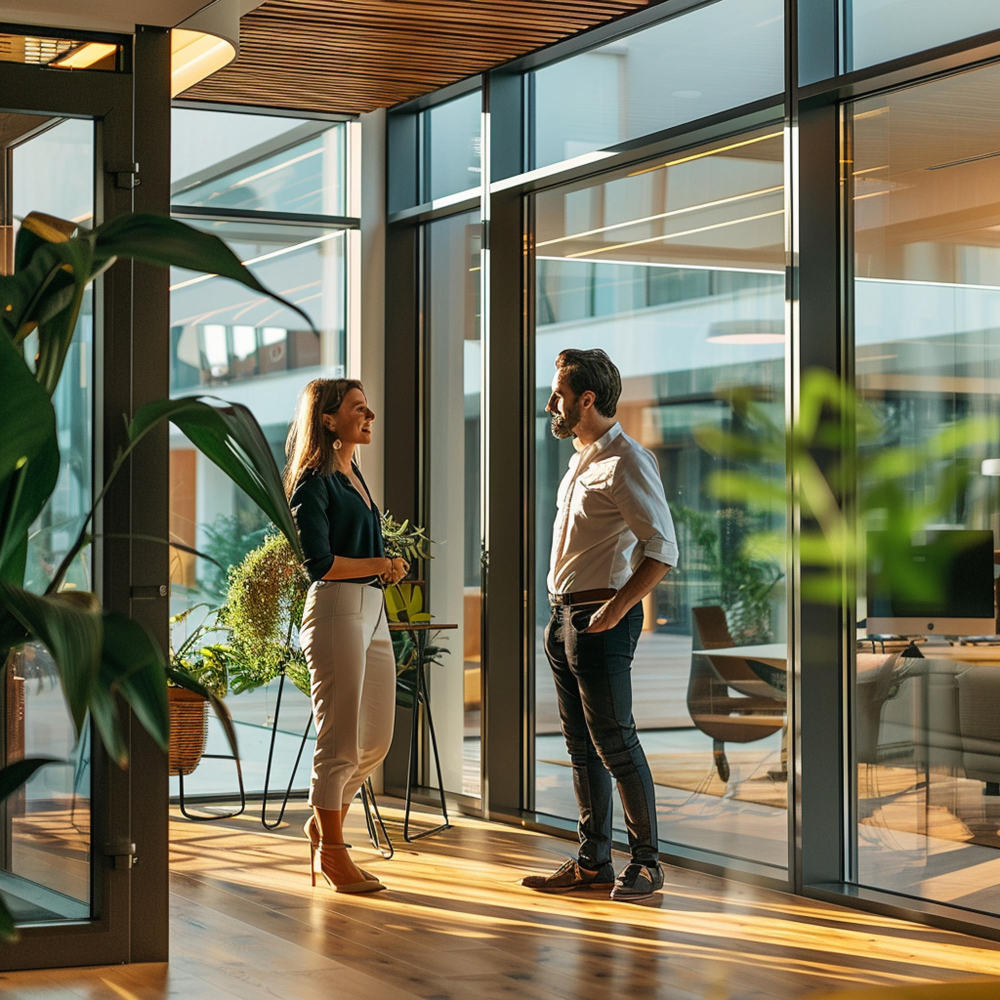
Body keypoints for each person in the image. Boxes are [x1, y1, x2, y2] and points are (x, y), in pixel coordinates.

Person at [522, 348, 678, 901]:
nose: (550, 405)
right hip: (562, 614)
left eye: (559, 396)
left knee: (615, 742)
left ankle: (648, 864)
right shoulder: (581, 459)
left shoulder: (628, 460)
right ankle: (592, 860)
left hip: (598, 616)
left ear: (587, 399)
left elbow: (662, 549)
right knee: (581, 747)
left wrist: (614, 611)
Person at [284, 377, 408, 894]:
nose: (370, 415)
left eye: (368, 406)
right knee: (338, 738)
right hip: (337, 608)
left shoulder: (353, 471)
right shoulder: (313, 482)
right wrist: (381, 561)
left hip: (372, 607)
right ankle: (333, 851)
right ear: (329, 419)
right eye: (359, 408)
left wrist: (384, 570)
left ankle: (323, 821)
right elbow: (319, 563)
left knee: (376, 739)